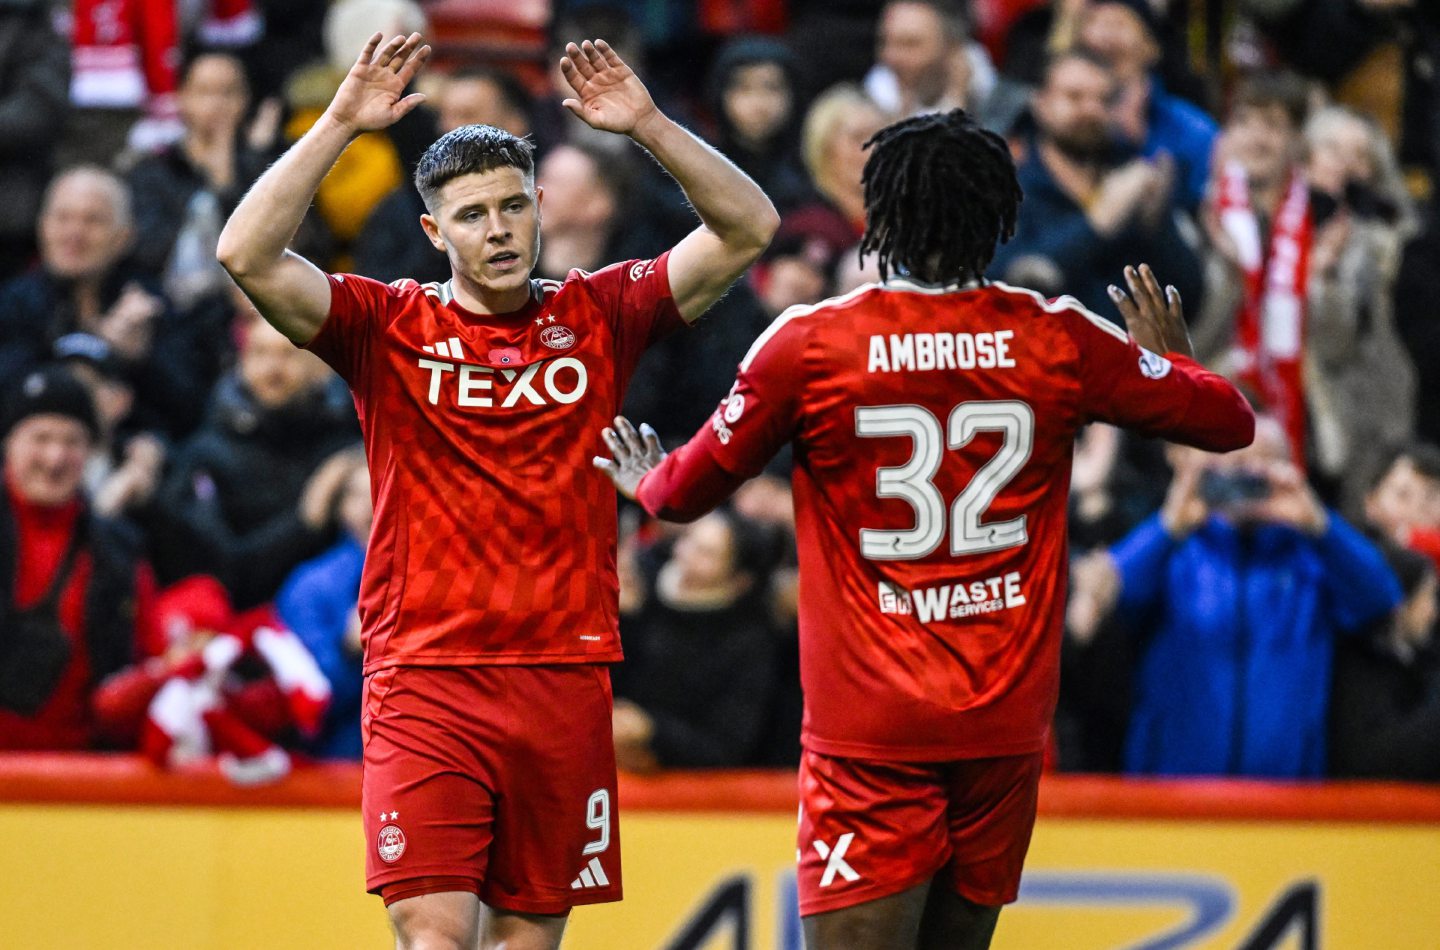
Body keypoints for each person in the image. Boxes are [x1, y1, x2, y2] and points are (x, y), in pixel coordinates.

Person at [595, 109, 1253, 949]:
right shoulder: (1057, 337)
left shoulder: (810, 344)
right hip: (1004, 723)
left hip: (871, 727)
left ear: (880, 215)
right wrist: (1181, 365)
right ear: (999, 217)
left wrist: (644, 478)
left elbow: (681, 495)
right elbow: (1228, 421)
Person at [215, 31, 778, 950]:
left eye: (514, 206)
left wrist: (648, 126)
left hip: (562, 673)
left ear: (541, 207)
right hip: (425, 672)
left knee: (524, 944)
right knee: (435, 939)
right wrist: (342, 126)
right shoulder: (384, 324)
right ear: (435, 231)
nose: (501, 229)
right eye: (473, 215)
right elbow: (244, 253)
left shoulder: (599, 313)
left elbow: (749, 228)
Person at [1083, 417, 1400, 778]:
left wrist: (1320, 525)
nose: (1247, 476)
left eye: (1263, 465)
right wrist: (1169, 525)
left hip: (1287, 799)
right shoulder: (1176, 552)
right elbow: (1105, 594)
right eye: (1233, 465)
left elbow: (1380, 599)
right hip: (1171, 795)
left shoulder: (1311, 559)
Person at [0, 365, 160, 750]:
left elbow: (143, 657)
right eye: (40, 438)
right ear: (8, 444)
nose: (55, 458)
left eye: (72, 442)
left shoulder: (120, 551)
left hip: (81, 782)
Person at [988, 51, 1202, 326]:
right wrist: (1095, 227)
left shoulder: (1133, 175)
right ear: (1040, 103)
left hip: (1128, 358)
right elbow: (1003, 289)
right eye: (1074, 97)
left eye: (1104, 100)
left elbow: (1188, 301)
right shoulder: (1008, 188)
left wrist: (1156, 225)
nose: (1090, 110)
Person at [612, 507, 782, 771]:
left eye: (706, 553)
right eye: (689, 539)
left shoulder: (749, 641)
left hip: (686, 788)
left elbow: (726, 745)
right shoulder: (639, 579)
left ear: (740, 580)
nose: (686, 553)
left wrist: (651, 729)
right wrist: (622, 620)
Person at [276, 449, 372, 759]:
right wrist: (348, 649)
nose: (372, 505)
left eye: (384, 488)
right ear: (342, 506)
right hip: (335, 774)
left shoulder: (441, 578)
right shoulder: (310, 586)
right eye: (359, 494)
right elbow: (300, 704)